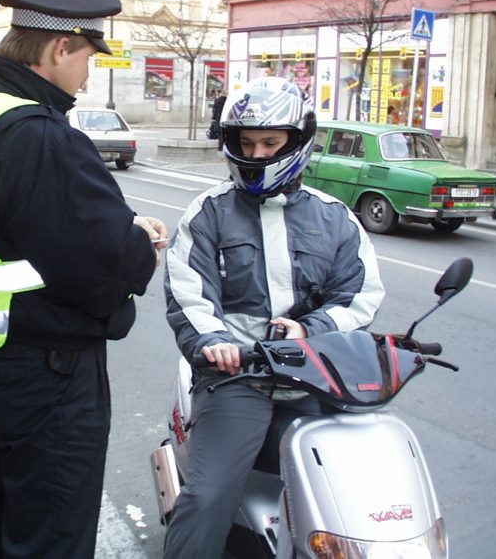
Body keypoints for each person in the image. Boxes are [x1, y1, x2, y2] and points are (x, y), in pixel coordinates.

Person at [0, 0, 168, 558]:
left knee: (3, 508)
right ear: (60, 48)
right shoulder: (40, 136)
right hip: (51, 371)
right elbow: (101, 267)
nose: (88, 75)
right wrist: (141, 240)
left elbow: (27, 226)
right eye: (89, 57)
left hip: (0, 356)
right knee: (51, 531)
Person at [162, 76, 385, 558]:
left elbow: (360, 293)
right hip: (238, 375)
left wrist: (314, 329)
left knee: (355, 486)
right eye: (246, 143)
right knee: (208, 495)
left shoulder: (336, 217)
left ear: (297, 140)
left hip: (315, 374)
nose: (258, 153)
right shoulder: (208, 213)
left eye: (270, 142)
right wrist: (214, 342)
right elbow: (188, 293)